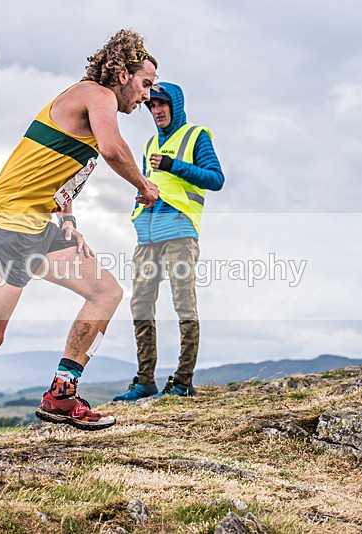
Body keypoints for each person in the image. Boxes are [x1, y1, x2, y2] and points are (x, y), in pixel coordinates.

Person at [0, 30, 160, 481]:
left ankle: (62, 393)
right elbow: (114, 149)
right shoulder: (95, 93)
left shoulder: (92, 106)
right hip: (5, 224)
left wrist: (70, 223)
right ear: (122, 74)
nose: (148, 93)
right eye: (145, 82)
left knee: (105, 292)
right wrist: (143, 186)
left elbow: (60, 180)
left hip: (39, 225)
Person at [113, 82, 224, 402]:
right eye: (151, 105)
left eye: (162, 104)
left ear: (175, 105)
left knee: (183, 305)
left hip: (180, 232)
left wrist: (174, 165)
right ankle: (145, 380)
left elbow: (216, 179)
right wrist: (139, 206)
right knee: (140, 305)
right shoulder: (150, 145)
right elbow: (153, 184)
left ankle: (183, 381)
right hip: (148, 235)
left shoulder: (195, 136)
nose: (156, 110)